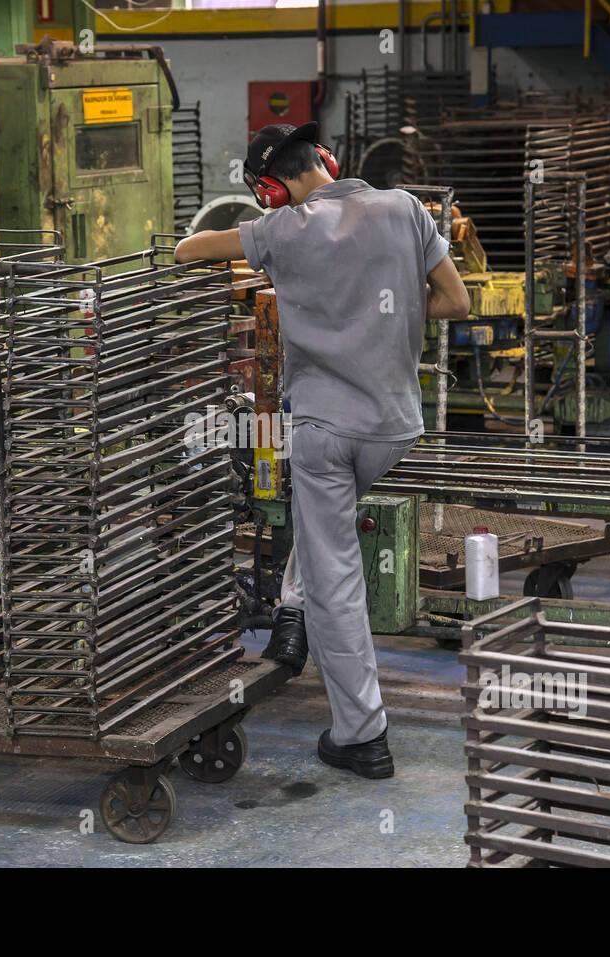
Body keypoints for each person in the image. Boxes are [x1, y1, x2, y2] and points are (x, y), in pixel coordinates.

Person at [175, 122, 469, 778]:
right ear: (329, 159)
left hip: (325, 434)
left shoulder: (281, 229)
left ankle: (361, 733)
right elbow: (457, 299)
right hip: (394, 427)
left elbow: (188, 250)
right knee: (317, 536)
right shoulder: (405, 208)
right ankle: (290, 608)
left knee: (336, 573)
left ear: (272, 189)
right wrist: (384, 311)